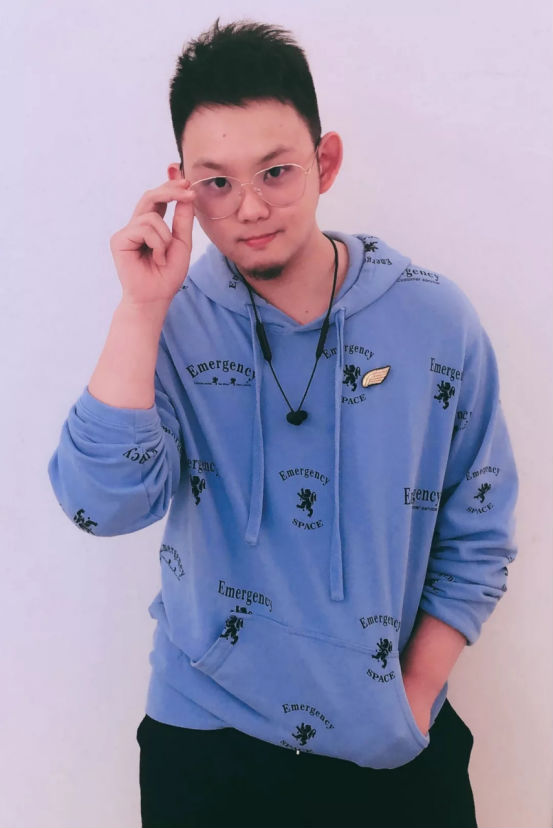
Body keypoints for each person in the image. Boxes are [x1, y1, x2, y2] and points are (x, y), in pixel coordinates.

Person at [47, 16, 519, 828]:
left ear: (324, 161)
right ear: (181, 186)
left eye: (276, 171)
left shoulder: (432, 318)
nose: (250, 207)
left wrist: (412, 697)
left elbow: (477, 526)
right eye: (217, 183)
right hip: (207, 741)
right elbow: (101, 504)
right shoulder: (166, 323)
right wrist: (141, 308)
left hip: (395, 746)